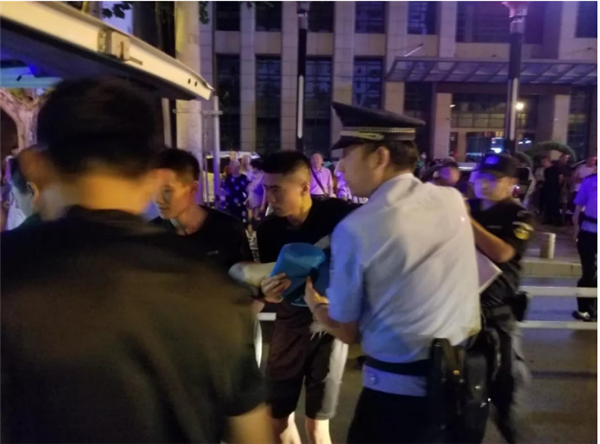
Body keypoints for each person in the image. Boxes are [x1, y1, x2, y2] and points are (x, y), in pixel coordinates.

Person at [0, 78, 272, 444]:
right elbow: (253, 436)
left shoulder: (10, 272)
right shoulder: (214, 290)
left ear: (35, 165)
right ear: (152, 178)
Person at [303, 102, 481, 444]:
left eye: (348, 154)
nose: (340, 166)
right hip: (458, 388)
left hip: (395, 400)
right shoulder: (450, 200)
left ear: (380, 156)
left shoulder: (358, 227)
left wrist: (315, 304)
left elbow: (346, 330)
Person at [255, 151, 357, 444]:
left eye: (277, 189)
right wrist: (268, 292)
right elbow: (266, 282)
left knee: (318, 423)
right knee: (277, 417)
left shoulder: (338, 214)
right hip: (289, 325)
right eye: (266, 189)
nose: (270, 197)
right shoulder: (268, 230)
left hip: (331, 326)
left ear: (303, 187)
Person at [468, 153, 535, 444]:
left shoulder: (518, 216)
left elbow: (503, 252)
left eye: (494, 179)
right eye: (481, 177)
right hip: (461, 311)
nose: (485, 184)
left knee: (507, 395)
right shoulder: (469, 207)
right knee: (461, 397)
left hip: (498, 316)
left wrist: (465, 221)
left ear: (511, 183)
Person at [151, 148, 252, 270]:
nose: (158, 199)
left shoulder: (229, 230)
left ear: (193, 188)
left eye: (167, 190)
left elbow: (246, 276)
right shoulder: (150, 236)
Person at [572, 172, 597, 322]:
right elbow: (578, 207)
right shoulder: (590, 181)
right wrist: (575, 230)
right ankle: (585, 309)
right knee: (589, 272)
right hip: (588, 231)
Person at [223, 159, 250, 224]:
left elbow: (249, 190)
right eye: (235, 166)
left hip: (242, 206)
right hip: (230, 207)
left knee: (243, 224)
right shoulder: (227, 179)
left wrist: (248, 200)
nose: (237, 168)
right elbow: (225, 192)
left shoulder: (244, 178)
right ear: (231, 168)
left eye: (238, 166)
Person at [246, 157, 267, 226]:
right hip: (251, 204)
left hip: (258, 204)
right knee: (250, 223)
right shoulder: (253, 176)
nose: (249, 168)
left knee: (257, 223)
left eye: (251, 166)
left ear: (255, 167)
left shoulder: (263, 176)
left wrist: (263, 205)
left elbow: (265, 191)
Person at [543, 157, 562, 226]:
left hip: (555, 189)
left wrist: (559, 186)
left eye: (544, 162)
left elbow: (561, 178)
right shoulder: (546, 170)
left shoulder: (556, 169)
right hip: (547, 188)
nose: (543, 164)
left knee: (555, 205)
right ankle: (549, 219)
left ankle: (558, 221)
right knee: (548, 205)